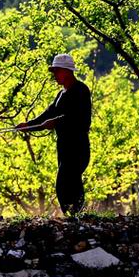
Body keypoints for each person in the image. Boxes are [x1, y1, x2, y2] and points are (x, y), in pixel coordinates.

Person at [16, 53, 92, 216]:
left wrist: (56, 122)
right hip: (64, 147)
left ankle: (77, 215)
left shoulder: (81, 90)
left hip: (78, 146)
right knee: (69, 182)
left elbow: (79, 117)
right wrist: (28, 126)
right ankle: (75, 216)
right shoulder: (61, 94)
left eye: (56, 71)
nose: (54, 75)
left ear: (67, 71)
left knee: (65, 183)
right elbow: (47, 115)